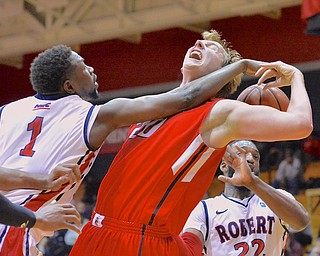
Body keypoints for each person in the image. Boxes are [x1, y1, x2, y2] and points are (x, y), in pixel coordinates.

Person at [0, 34, 262, 255]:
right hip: (14, 227)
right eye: (82, 65)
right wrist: (240, 67)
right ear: (69, 85)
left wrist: (41, 182)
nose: (91, 69)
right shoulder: (95, 115)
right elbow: (185, 98)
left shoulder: (6, 112)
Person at [70, 29, 313, 256]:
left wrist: (296, 77)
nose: (198, 43)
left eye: (212, 49)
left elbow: (300, 124)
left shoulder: (219, 113)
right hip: (96, 228)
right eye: (199, 42)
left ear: (223, 73)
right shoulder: (153, 108)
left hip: (137, 239)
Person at [183, 140, 310, 256]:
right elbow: (188, 249)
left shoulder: (278, 197)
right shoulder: (204, 209)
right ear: (223, 166)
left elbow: (301, 222)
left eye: (255, 157)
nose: (250, 159)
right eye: (240, 154)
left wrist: (252, 182)